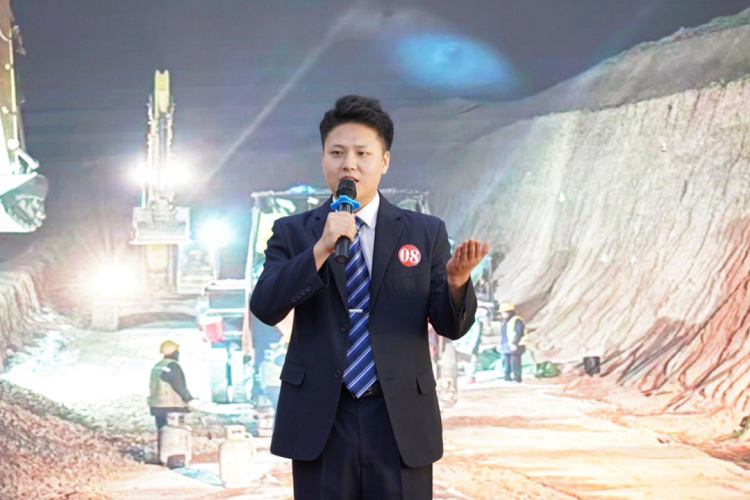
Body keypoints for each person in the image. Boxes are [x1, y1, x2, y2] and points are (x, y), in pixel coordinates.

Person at [250, 95, 489, 499]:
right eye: (337, 153)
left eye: (362, 153)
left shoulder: (424, 232)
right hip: (321, 418)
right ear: (323, 159)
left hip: (399, 417)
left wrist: (456, 283)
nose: (349, 165)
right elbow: (266, 305)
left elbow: (450, 326)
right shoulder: (293, 233)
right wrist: (320, 249)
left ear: (385, 161)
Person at [147, 340, 194, 431]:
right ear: (174, 352)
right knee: (175, 433)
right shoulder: (172, 366)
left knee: (163, 432)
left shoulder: (158, 366)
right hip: (171, 407)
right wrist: (188, 398)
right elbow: (179, 385)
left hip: (157, 406)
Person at [497, 302, 526, 382]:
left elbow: (519, 333)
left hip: (516, 345)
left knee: (515, 363)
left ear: (509, 312)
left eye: (504, 312)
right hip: (507, 345)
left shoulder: (517, 320)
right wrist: (501, 344)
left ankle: (517, 378)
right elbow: (504, 334)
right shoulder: (505, 322)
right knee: (507, 362)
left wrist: (514, 343)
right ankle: (507, 377)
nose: (503, 314)